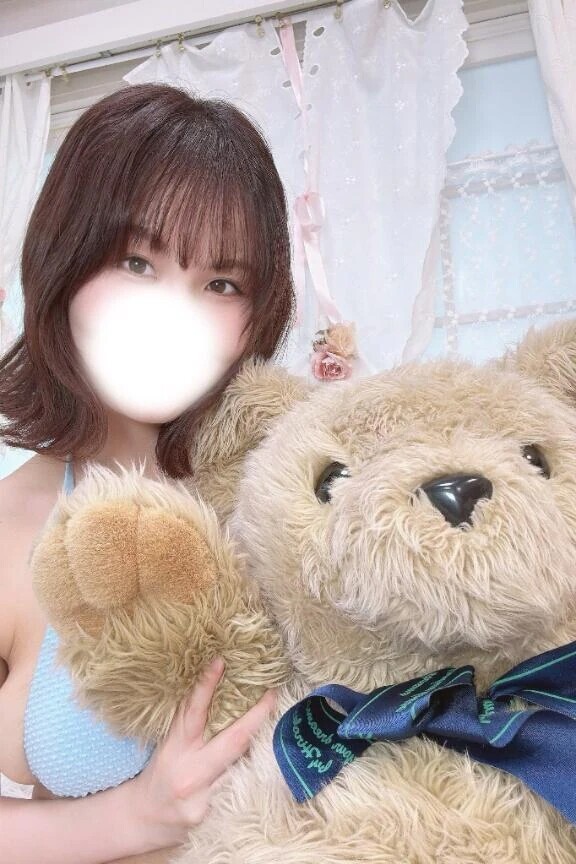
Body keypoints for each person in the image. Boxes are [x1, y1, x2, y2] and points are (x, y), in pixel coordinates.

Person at [0, 81, 297, 863]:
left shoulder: (290, 499)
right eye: (137, 261)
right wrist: (129, 819)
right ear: (65, 261)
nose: (175, 316)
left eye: (222, 283)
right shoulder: (9, 528)